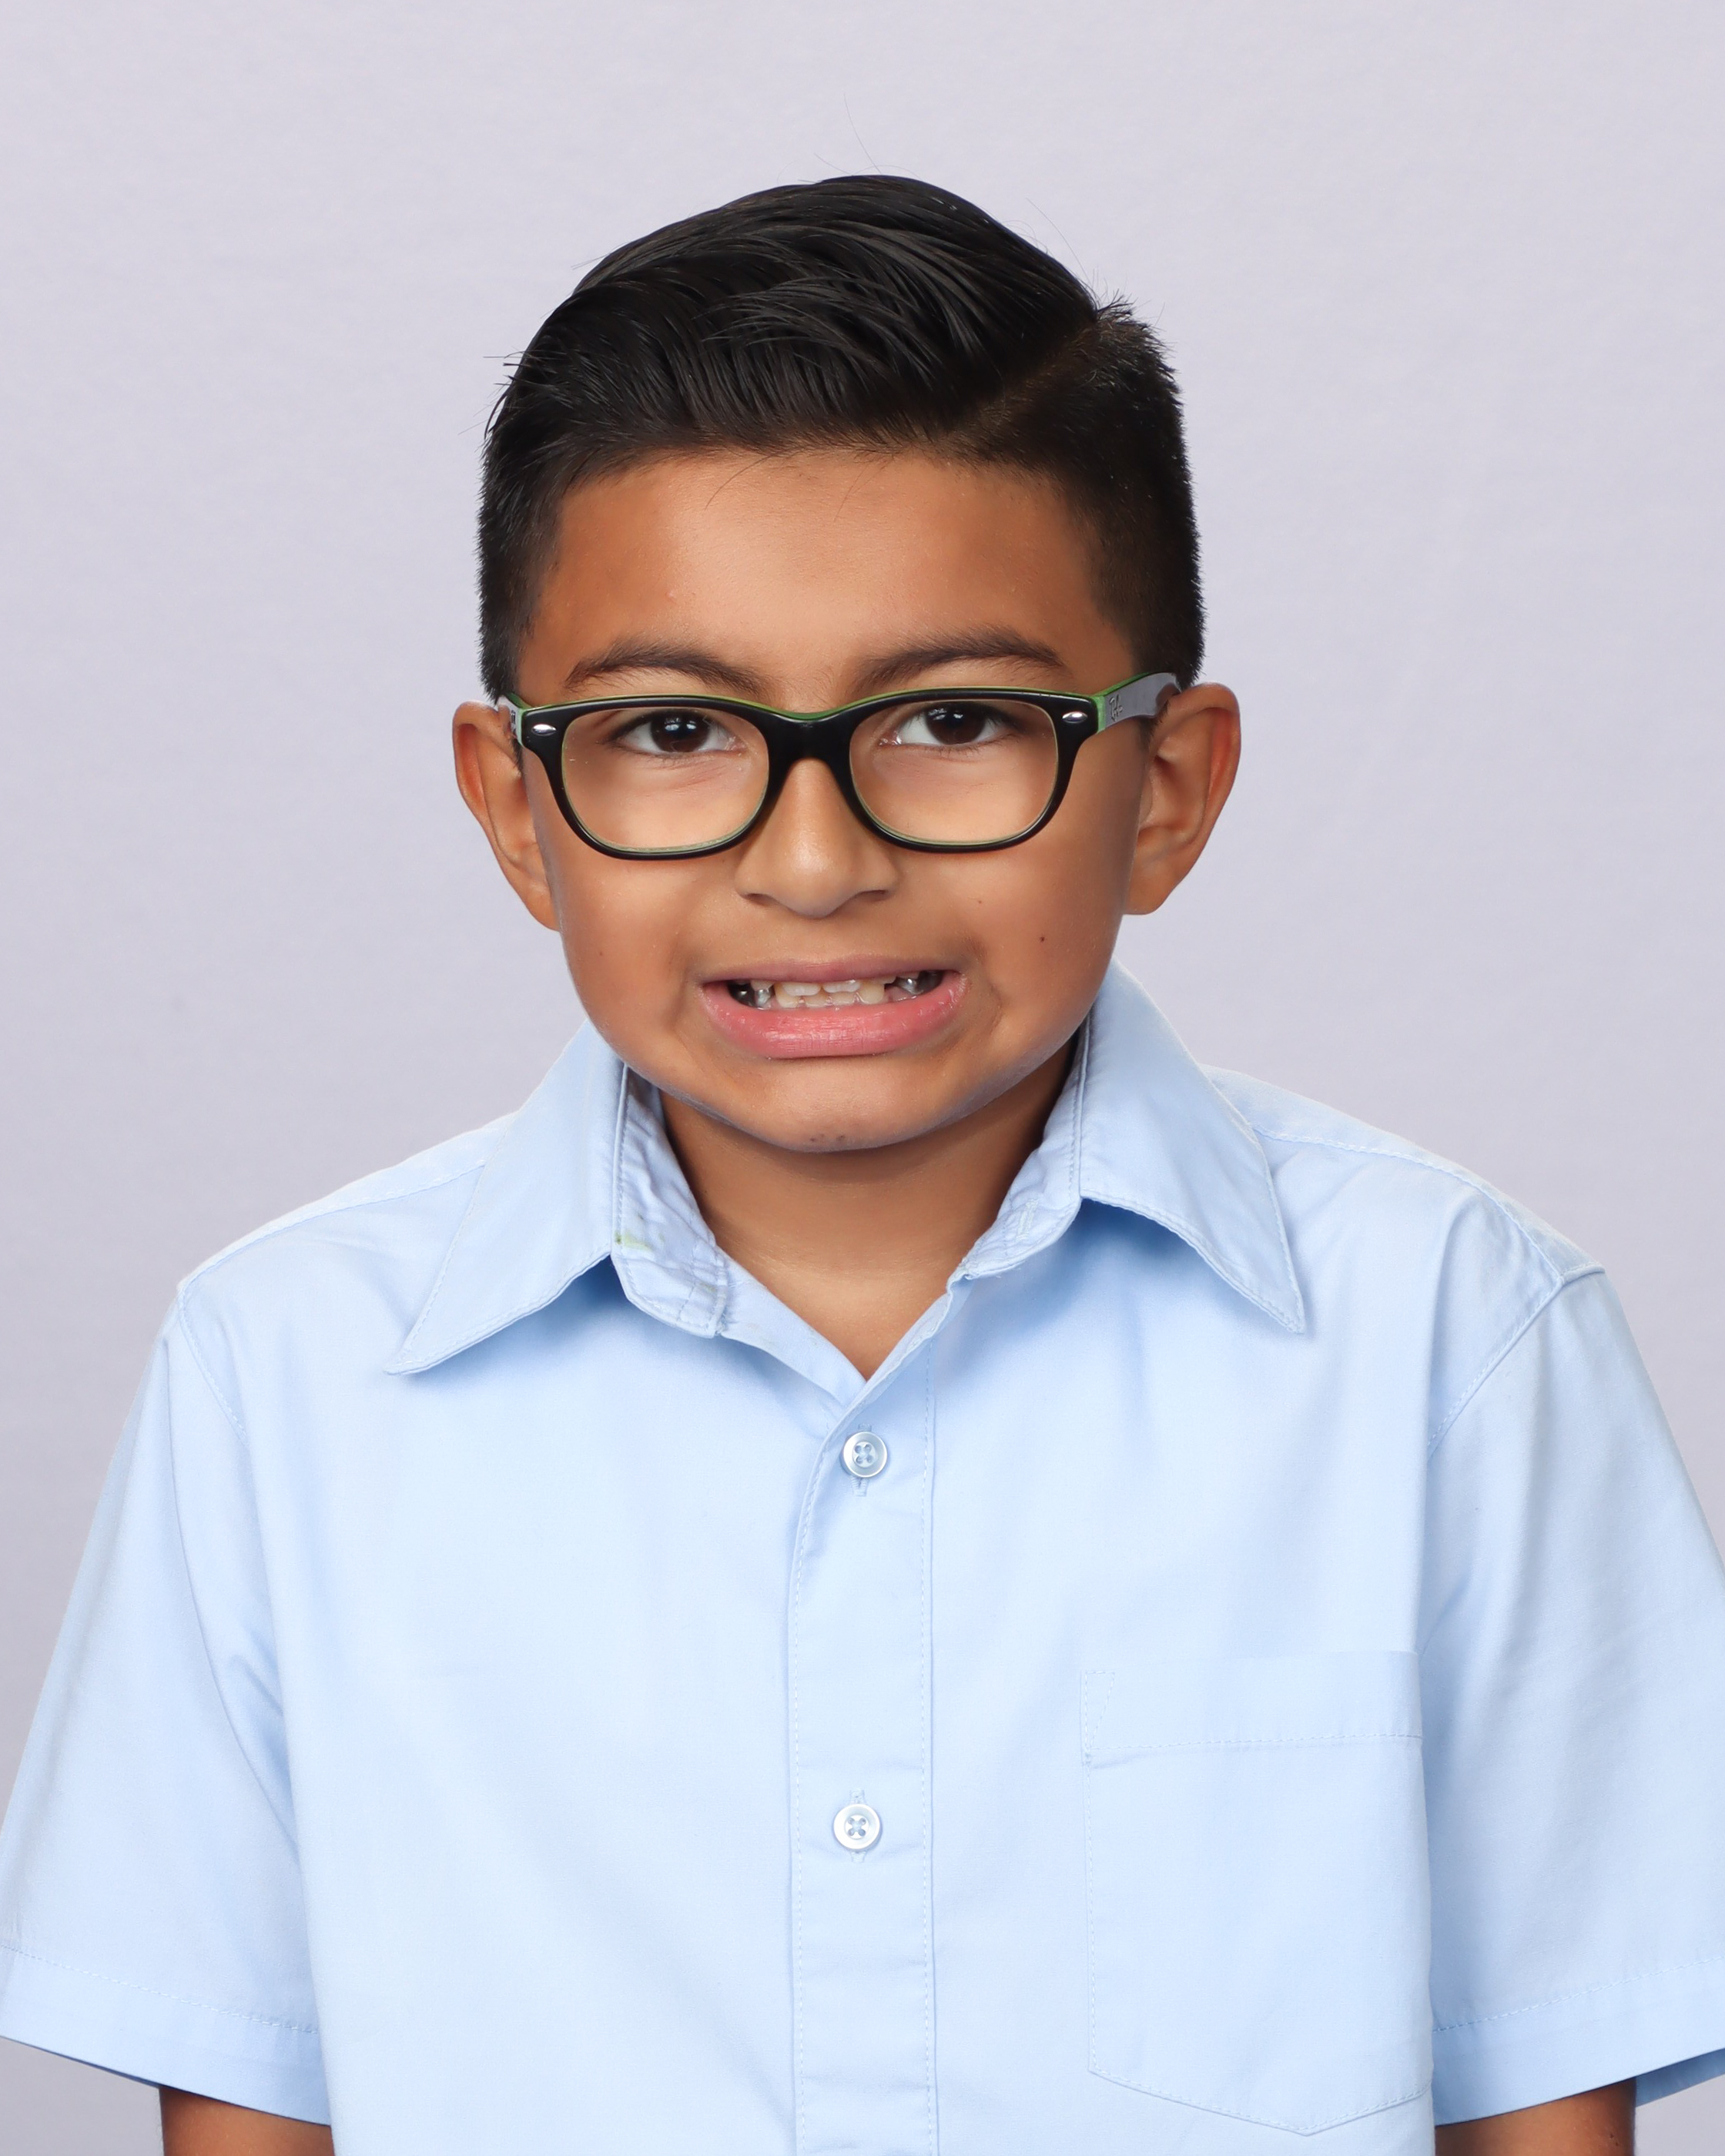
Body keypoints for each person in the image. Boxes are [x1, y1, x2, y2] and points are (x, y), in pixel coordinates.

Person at [2, 176, 1722, 2156]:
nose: (813, 862)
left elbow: (1542, 2112)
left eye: (956, 718)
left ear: (1167, 786)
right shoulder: (284, 1378)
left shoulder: (1455, 1341)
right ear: (517, 808)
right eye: (670, 729)